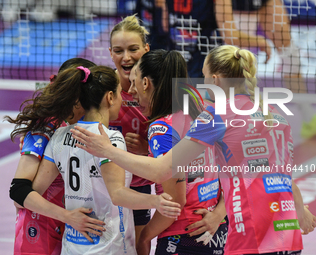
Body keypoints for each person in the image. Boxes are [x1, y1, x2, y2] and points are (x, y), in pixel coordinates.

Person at [71, 45, 316, 254]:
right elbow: (276, 174)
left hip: (246, 233)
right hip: (286, 232)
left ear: (216, 80)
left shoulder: (215, 115)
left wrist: (108, 150)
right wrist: (300, 208)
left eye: (205, 75)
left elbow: (162, 170)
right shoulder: (272, 114)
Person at [12, 65, 181, 254]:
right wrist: (156, 201)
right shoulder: (111, 139)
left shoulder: (59, 135)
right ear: (109, 97)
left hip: (72, 247)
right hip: (110, 247)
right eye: (118, 94)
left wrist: (67, 216)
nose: (122, 101)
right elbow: (118, 195)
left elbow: (30, 192)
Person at [128, 49, 227, 255]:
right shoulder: (203, 108)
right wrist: (219, 213)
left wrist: (145, 237)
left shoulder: (162, 129)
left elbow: (176, 202)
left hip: (184, 235)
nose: (130, 90)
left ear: (145, 83)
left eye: (134, 82)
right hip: (217, 229)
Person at [5, 58, 104, 255]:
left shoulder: (91, 122)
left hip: (73, 224)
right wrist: (67, 216)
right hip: (41, 226)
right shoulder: (47, 124)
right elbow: (19, 193)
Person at [136, 0, 271, 78]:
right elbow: (231, 37)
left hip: (174, 70)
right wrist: (261, 41)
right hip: (206, 74)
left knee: (177, 122)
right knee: (205, 124)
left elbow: (164, 26)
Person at [108, 14, 154, 244]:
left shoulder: (157, 90)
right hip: (103, 183)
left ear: (146, 49)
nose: (126, 58)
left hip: (139, 183)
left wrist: (149, 148)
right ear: (110, 53)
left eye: (133, 49)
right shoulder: (101, 87)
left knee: (139, 244)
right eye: (118, 51)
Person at [232, 0, 307, 93]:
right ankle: (232, 103)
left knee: (290, 56)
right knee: (238, 62)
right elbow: (231, 36)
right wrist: (260, 41)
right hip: (241, 5)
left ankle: (304, 105)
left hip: (267, 2)